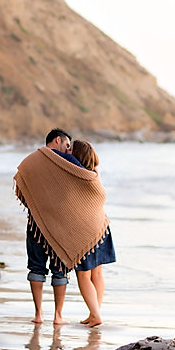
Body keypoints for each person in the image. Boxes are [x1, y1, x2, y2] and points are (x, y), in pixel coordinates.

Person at [13, 128, 109, 326]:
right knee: (60, 271)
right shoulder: (68, 163)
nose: (68, 151)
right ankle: (59, 316)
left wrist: (38, 207)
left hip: (36, 223)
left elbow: (21, 188)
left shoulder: (33, 160)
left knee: (36, 268)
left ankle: (39, 314)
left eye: (71, 149)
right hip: (62, 228)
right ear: (58, 140)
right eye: (67, 146)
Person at [71, 139, 116, 327]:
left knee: (83, 275)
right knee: (97, 273)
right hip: (102, 227)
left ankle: (96, 315)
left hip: (86, 231)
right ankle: (94, 312)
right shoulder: (96, 175)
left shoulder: (77, 176)